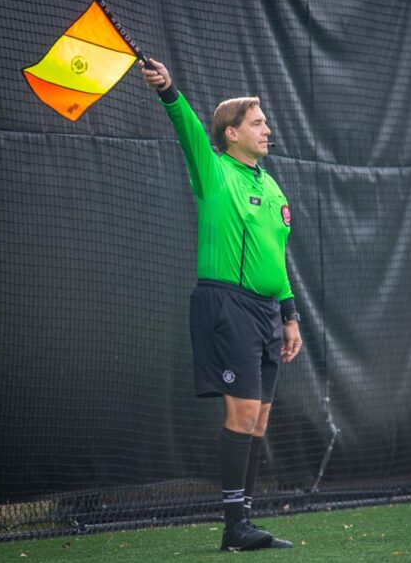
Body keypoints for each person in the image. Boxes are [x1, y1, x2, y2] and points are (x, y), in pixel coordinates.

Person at [141, 58, 303, 552]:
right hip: (225, 305)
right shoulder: (213, 171)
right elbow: (187, 126)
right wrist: (169, 90)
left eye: (265, 122)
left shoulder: (269, 184)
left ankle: (244, 522)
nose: (267, 129)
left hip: (266, 312)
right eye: (257, 122)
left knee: (260, 419)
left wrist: (290, 315)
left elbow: (276, 258)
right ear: (231, 133)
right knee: (243, 410)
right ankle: (234, 528)